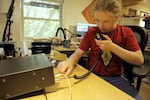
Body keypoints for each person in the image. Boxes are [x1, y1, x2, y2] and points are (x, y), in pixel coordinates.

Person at [57, 0, 143, 99]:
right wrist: (70, 61)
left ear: (117, 18)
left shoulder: (126, 33)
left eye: (105, 21)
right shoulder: (91, 33)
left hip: (115, 77)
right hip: (92, 75)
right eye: (97, 20)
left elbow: (139, 60)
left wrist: (112, 47)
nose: (100, 25)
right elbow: (78, 53)